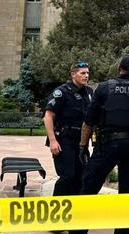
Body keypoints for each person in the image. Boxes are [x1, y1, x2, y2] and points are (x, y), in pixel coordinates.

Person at [78, 54, 129, 234]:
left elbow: (88, 121)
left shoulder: (104, 88)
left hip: (106, 145)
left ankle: (79, 231)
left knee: (89, 188)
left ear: (119, 68)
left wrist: (83, 147)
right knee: (126, 194)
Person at [43, 61, 92, 204]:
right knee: (67, 177)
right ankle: (56, 215)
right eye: (83, 73)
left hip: (81, 142)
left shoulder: (89, 93)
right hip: (64, 140)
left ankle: (74, 214)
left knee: (80, 177)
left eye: (87, 73)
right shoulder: (62, 92)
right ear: (73, 74)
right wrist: (52, 140)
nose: (86, 76)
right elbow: (48, 117)